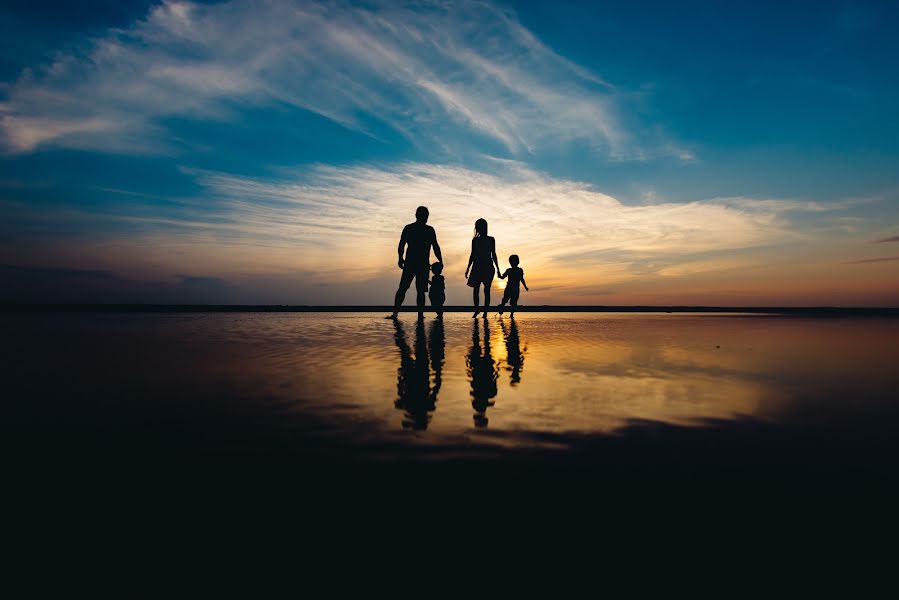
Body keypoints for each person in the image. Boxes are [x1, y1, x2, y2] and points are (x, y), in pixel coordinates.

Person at [388, 206, 443, 319]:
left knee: (419, 290)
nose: (425, 218)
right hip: (411, 263)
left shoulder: (428, 230)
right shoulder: (410, 228)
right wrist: (400, 258)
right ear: (417, 216)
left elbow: (435, 246)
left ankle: (419, 314)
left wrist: (441, 260)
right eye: (424, 216)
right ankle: (396, 312)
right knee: (404, 288)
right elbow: (402, 244)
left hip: (421, 264)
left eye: (426, 216)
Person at [464, 218, 500, 319]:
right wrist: (468, 268)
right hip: (477, 267)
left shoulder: (491, 239)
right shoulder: (475, 240)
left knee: (486, 290)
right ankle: (477, 309)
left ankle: (485, 312)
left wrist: (498, 268)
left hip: (488, 267)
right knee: (476, 290)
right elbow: (472, 254)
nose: (479, 229)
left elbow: (494, 254)